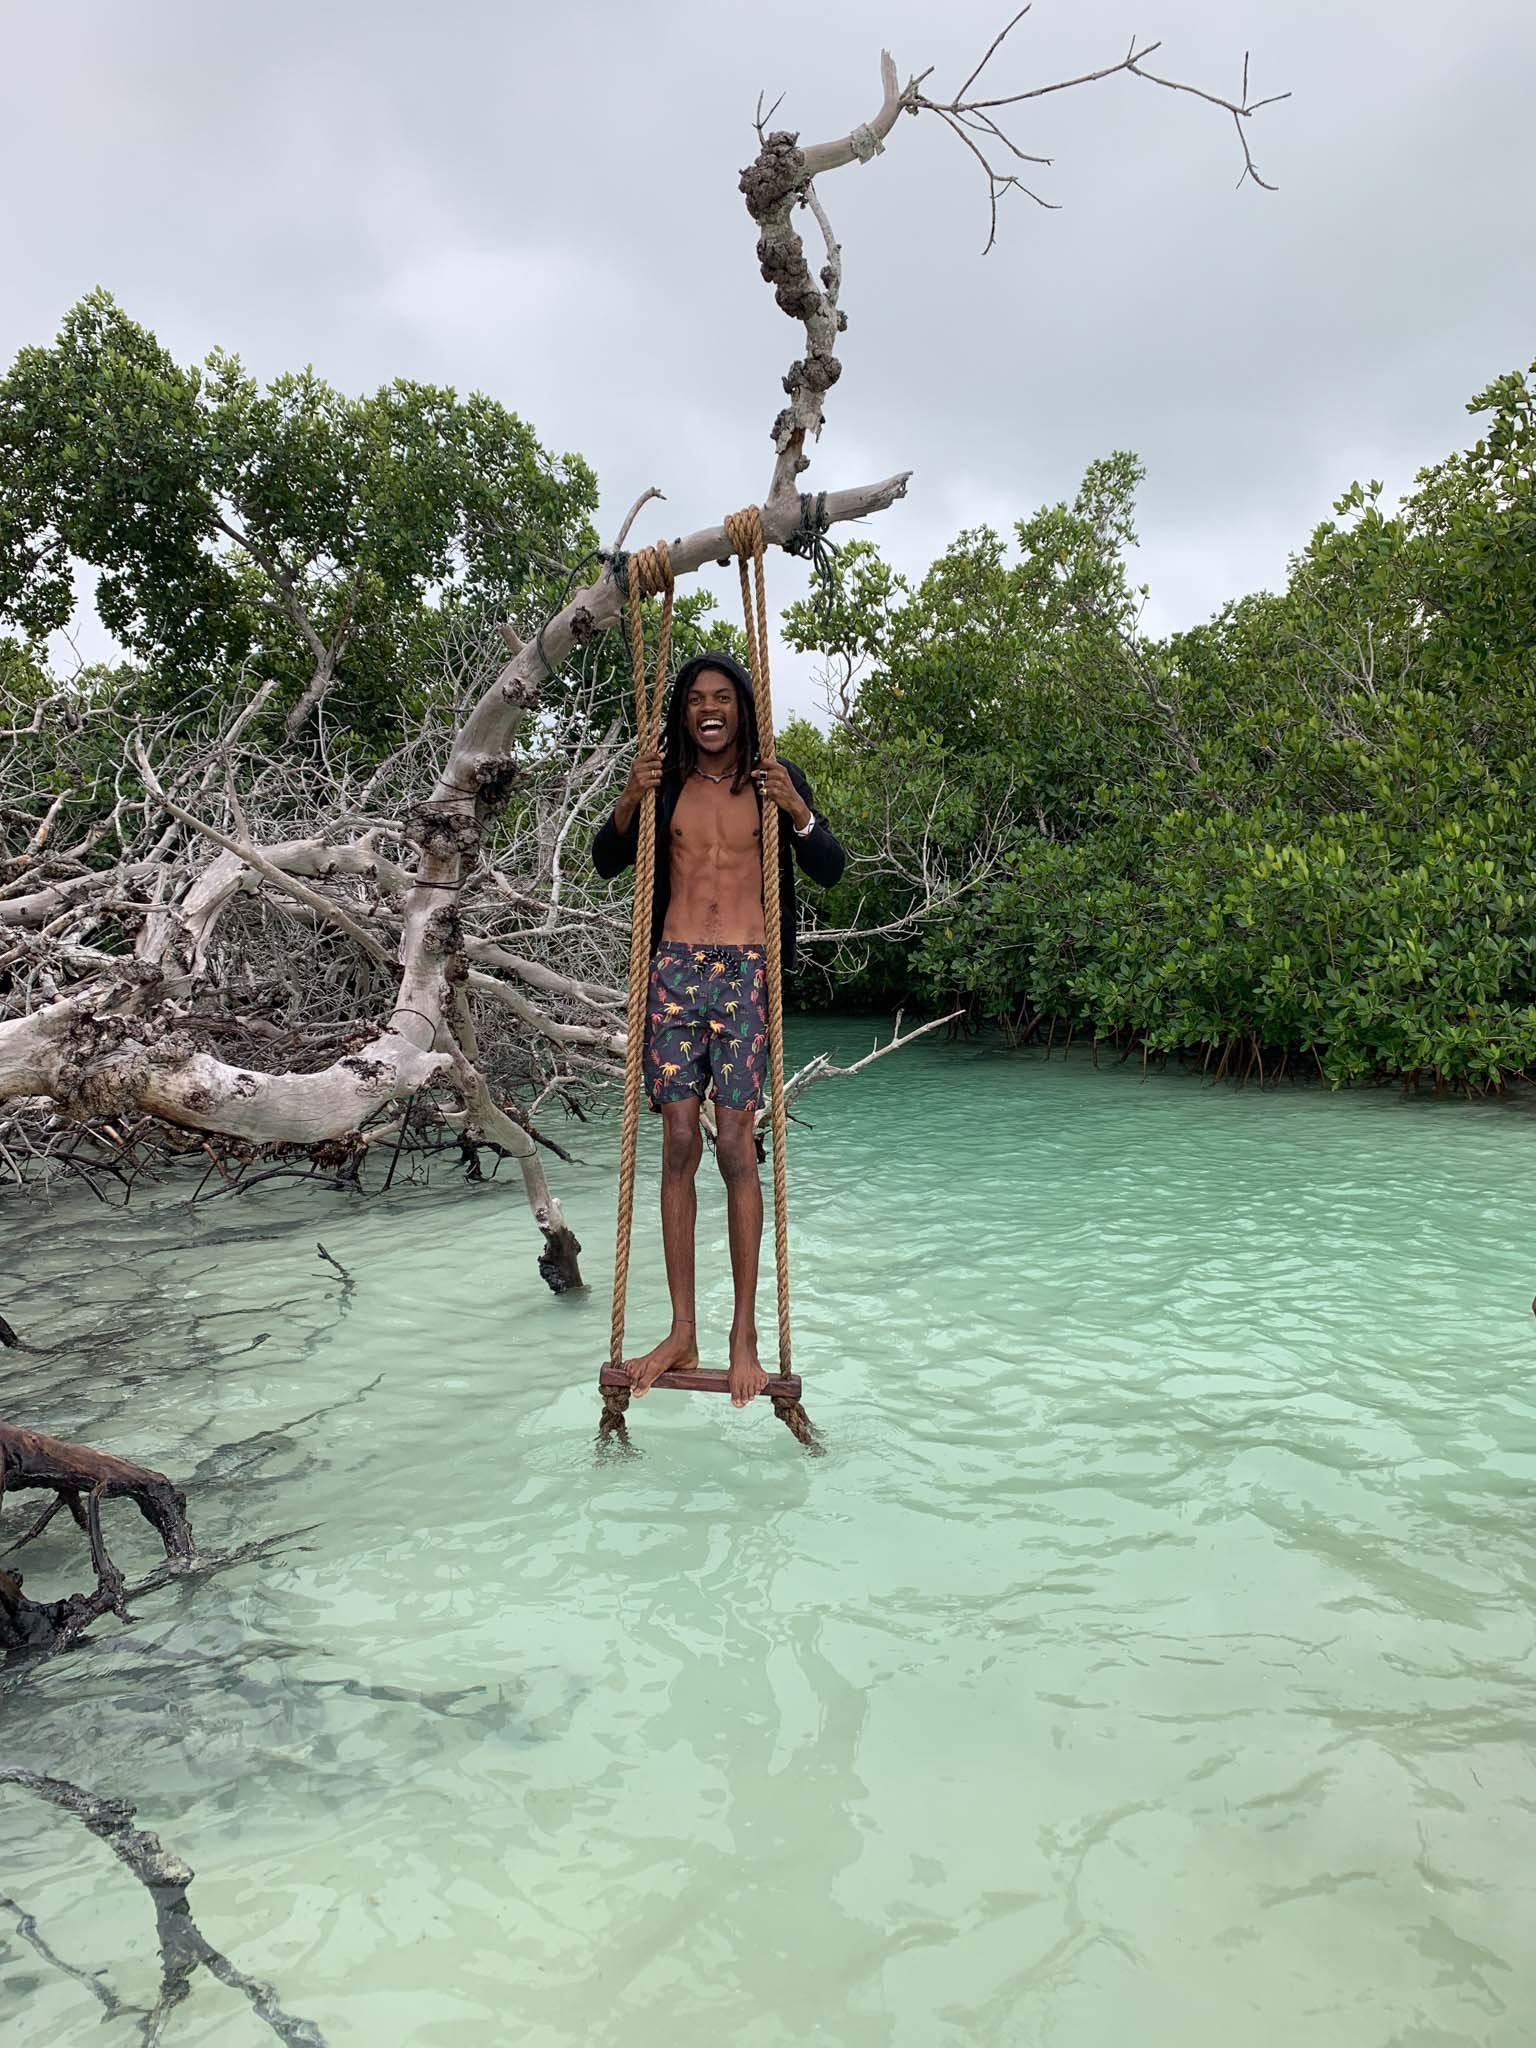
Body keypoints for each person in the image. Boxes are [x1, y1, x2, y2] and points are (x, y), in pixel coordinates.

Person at [592, 650, 846, 1406]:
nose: (711, 710)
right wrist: (627, 803)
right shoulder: (661, 779)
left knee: (736, 1145)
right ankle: (682, 1331)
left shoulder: (775, 779)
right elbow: (606, 860)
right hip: (672, 970)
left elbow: (831, 867)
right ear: (683, 710)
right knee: (676, 1140)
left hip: (744, 974)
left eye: (724, 698)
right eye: (698, 698)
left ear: (742, 708)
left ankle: (743, 1336)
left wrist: (799, 811)